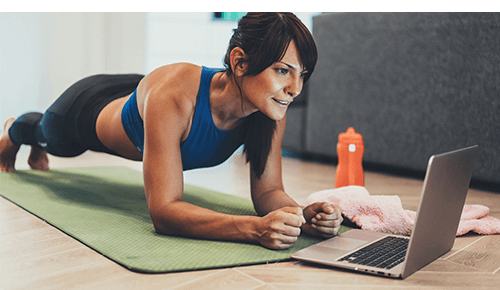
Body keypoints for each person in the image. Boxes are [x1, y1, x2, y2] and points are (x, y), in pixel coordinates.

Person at [0, 12, 342, 250]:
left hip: (141, 94)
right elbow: (164, 212)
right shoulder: (177, 96)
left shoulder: (268, 107)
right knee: (47, 135)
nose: (295, 88)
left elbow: (268, 193)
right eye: (283, 70)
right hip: (86, 110)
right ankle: (13, 129)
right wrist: (253, 229)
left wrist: (303, 216)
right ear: (240, 62)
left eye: (302, 74)